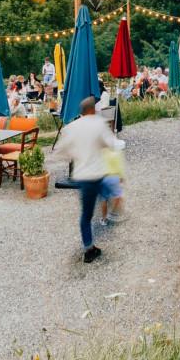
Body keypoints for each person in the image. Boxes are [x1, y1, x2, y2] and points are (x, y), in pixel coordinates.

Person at [49, 96, 121, 263]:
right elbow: (111, 144)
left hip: (83, 176)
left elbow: (60, 150)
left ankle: (89, 247)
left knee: (86, 215)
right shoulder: (99, 124)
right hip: (100, 174)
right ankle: (111, 209)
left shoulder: (71, 127)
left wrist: (75, 153)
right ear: (92, 110)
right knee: (112, 190)